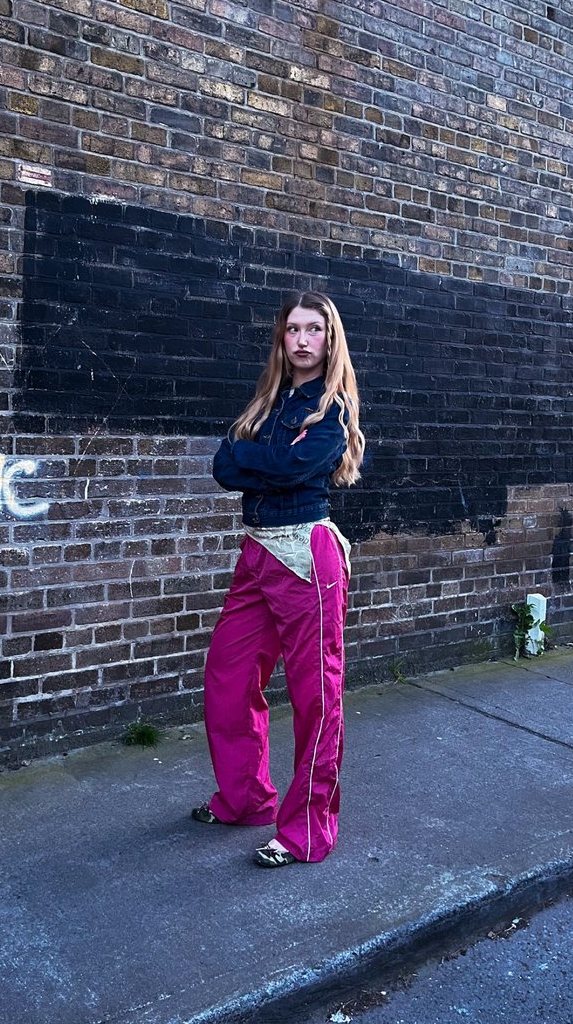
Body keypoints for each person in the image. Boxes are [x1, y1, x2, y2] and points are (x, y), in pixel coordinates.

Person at [191, 290, 365, 868]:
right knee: (227, 676)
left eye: (314, 329)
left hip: (305, 560)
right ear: (282, 339)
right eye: (293, 329)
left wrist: (251, 463)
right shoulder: (270, 401)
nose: (303, 339)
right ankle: (246, 799)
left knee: (316, 696)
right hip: (258, 554)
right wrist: (258, 465)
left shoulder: (331, 408)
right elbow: (222, 467)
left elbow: (296, 466)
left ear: (329, 338)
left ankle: (307, 832)